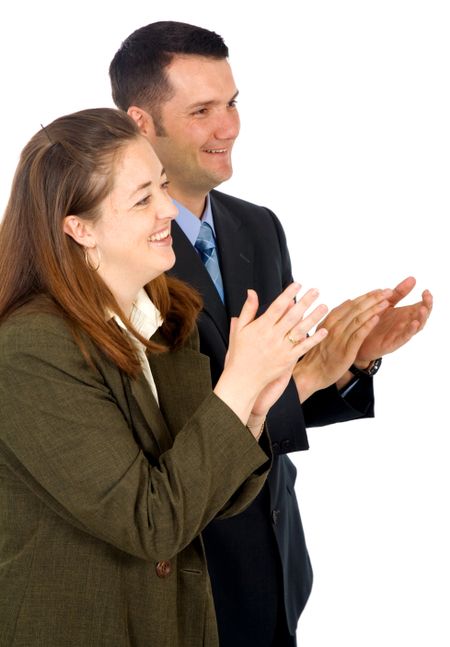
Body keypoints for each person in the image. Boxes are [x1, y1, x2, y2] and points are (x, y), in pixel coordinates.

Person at [109, 22, 433, 646]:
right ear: (141, 123)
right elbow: (159, 433)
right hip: (184, 567)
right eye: (202, 111)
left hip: (275, 561)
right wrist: (302, 376)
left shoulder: (258, 227)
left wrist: (346, 364)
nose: (228, 127)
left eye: (232, 103)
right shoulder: (118, 247)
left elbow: (275, 409)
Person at [0, 108, 330, 646]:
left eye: (162, 186)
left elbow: (202, 497)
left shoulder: (166, 314)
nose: (167, 210)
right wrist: (237, 385)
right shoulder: (30, 349)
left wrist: (253, 408)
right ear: (79, 228)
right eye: (142, 198)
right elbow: (153, 521)